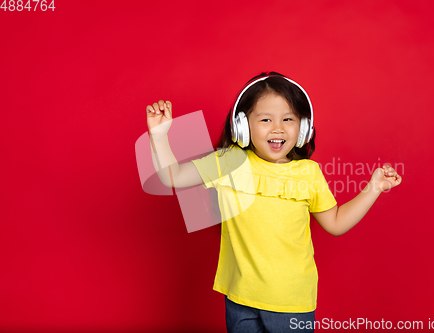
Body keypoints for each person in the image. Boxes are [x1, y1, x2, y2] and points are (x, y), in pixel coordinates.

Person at [145, 72, 402, 333]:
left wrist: (374, 188)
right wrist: (159, 136)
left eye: (288, 119)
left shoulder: (308, 173)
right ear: (242, 126)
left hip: (292, 304)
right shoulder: (229, 161)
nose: (278, 128)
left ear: (303, 128)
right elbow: (172, 177)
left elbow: (335, 223)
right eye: (266, 119)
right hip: (239, 299)